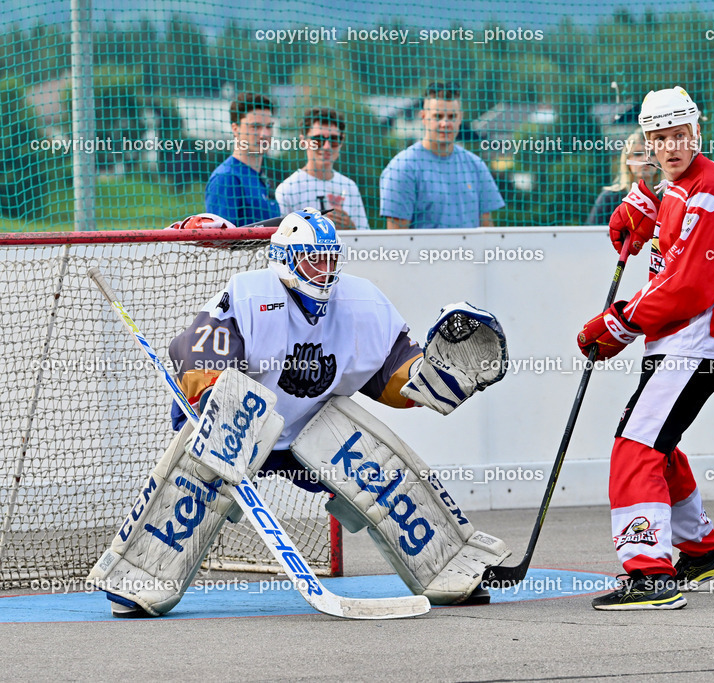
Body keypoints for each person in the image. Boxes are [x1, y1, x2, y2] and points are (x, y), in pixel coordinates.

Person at [93, 209, 511, 618]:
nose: (324, 270)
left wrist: (431, 378)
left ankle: (450, 566)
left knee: (383, 477)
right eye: (314, 259)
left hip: (312, 428)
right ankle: (138, 578)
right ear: (286, 261)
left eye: (330, 259)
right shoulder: (252, 293)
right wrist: (211, 392)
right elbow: (198, 350)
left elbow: (390, 375)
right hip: (240, 425)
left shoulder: (361, 301)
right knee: (199, 484)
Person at [577, 87, 714, 610]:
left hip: (697, 340)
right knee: (661, 444)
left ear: (698, 131)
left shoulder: (709, 190)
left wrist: (619, 322)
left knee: (636, 448)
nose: (670, 146)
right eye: (659, 138)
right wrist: (641, 214)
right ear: (649, 142)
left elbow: (687, 284)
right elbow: (670, 235)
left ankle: (650, 573)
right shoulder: (680, 185)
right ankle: (702, 550)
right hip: (683, 339)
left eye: (679, 135)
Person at [379, 82, 504, 229]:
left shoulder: (476, 165)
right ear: (424, 117)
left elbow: (487, 230)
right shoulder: (402, 168)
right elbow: (396, 241)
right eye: (438, 116)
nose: (445, 123)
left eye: (452, 116)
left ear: (460, 118)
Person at [276, 107, 370, 230]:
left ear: (342, 141)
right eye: (318, 140)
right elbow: (279, 241)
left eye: (334, 139)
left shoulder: (350, 187)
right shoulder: (287, 190)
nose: (326, 146)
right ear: (303, 141)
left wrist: (351, 230)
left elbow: (366, 239)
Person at [205, 92, 281, 226]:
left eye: (269, 126)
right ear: (235, 129)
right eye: (255, 127)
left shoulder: (262, 178)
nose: (264, 134)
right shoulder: (226, 178)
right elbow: (219, 244)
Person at [586, 129, 659, 226]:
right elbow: (592, 236)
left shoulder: (668, 198)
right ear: (627, 159)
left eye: (652, 154)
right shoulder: (609, 199)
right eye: (637, 154)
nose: (646, 159)